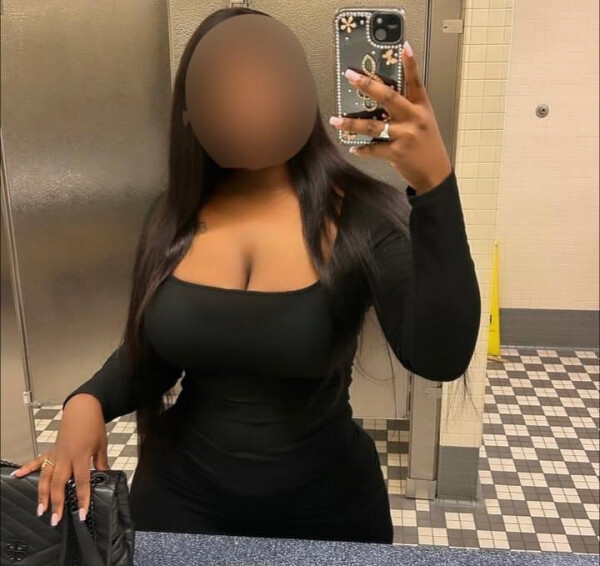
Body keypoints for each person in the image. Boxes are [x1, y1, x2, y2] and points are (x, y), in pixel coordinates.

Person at [11, 7, 481, 545]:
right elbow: (151, 359)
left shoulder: (363, 216)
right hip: (177, 504)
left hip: (329, 513)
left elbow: (440, 355)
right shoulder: (171, 217)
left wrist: (435, 184)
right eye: (227, 86)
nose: (249, 101)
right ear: (190, 113)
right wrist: (87, 400)